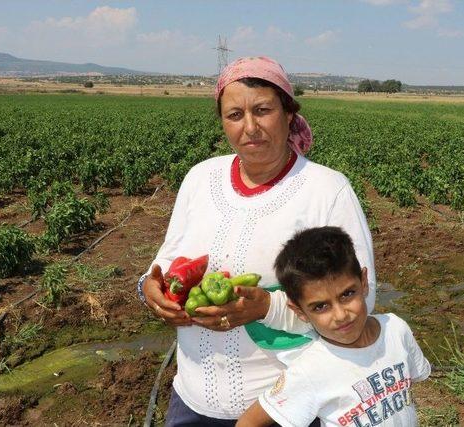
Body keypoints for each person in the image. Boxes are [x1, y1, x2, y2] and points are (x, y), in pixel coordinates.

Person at [137, 56, 377, 425]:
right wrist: (151, 289)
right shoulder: (200, 179)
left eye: (262, 110)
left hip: (285, 405)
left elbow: (364, 296)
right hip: (191, 400)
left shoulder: (325, 190)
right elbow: (169, 259)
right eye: (234, 115)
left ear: (288, 113)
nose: (250, 127)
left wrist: (267, 307)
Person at [237, 226, 431, 427]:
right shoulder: (310, 371)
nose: (340, 315)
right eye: (320, 306)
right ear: (299, 311)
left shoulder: (396, 329)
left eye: (347, 294)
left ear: (364, 282)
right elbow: (249, 422)